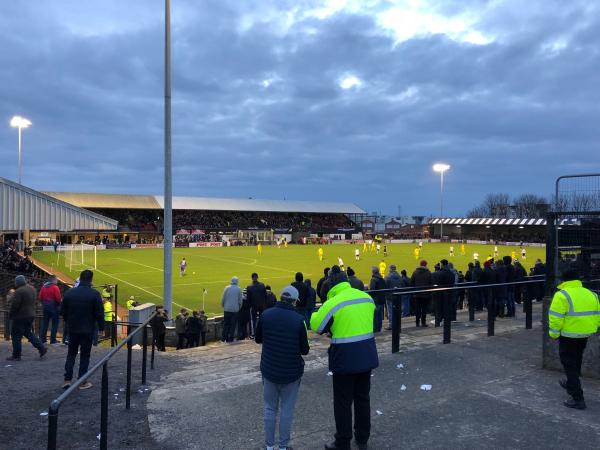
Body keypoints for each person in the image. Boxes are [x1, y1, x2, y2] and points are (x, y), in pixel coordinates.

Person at [310, 266, 378, 450]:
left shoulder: (333, 303)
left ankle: (343, 442)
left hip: (345, 359)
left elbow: (316, 325)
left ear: (330, 283)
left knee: (343, 402)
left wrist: (318, 312)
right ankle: (362, 438)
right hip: (367, 354)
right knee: (363, 398)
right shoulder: (365, 297)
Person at [255, 286, 310, 450]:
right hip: (290, 372)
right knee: (287, 410)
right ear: (294, 301)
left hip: (270, 368)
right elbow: (305, 350)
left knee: (270, 408)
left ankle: (269, 446)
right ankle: (283, 447)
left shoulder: (266, 315)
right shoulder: (299, 320)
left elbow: (258, 338)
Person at [548, 269, 600, 410]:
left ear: (564, 281)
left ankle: (577, 397)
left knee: (569, 364)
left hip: (568, 335)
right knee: (576, 360)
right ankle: (571, 383)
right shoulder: (592, 294)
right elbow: (597, 314)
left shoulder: (562, 295)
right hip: (585, 333)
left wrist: (553, 334)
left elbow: (555, 318)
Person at [60, 270, 104, 389]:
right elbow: (99, 313)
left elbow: (62, 311)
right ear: (91, 280)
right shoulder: (94, 294)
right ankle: (82, 381)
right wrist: (101, 327)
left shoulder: (69, 293)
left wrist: (69, 321)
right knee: (85, 355)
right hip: (87, 329)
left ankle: (67, 379)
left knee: (71, 354)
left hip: (73, 328)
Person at [6, 275, 47, 361]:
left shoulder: (19, 291)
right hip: (31, 315)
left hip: (20, 316)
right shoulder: (32, 289)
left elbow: (15, 305)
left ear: (18, 282)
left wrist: (11, 315)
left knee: (16, 335)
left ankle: (16, 355)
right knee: (28, 333)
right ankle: (42, 348)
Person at [38, 275, 62, 345]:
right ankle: (53, 340)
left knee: (45, 323)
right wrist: (60, 303)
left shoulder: (44, 287)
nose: (57, 281)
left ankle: (43, 340)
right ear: (53, 280)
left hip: (45, 307)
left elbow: (40, 297)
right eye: (56, 280)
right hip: (54, 307)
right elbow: (58, 298)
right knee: (54, 324)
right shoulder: (55, 287)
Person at [411, 260, 433, 327]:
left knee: (418, 309)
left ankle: (417, 323)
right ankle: (423, 322)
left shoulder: (415, 272)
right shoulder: (428, 273)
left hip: (417, 293)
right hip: (425, 294)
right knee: (424, 309)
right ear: (426, 265)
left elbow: (412, 282)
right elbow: (431, 283)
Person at [221, 276, 243, 343]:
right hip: (235, 310)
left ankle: (224, 338)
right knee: (233, 325)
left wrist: (223, 305)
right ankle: (230, 338)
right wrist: (239, 308)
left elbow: (223, 298)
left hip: (227, 309)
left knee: (226, 324)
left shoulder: (226, 288)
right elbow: (240, 301)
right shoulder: (239, 289)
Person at [384, 265, 405, 331]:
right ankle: (398, 324)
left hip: (390, 297)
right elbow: (402, 285)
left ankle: (391, 325)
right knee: (398, 311)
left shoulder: (387, 277)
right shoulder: (400, 277)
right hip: (398, 296)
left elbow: (385, 286)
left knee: (390, 311)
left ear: (390, 269)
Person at [369, 266, 387, 332]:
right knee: (380, 315)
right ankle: (379, 328)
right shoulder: (382, 278)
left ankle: (375, 329)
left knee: (375, 315)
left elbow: (372, 290)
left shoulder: (373, 279)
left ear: (373, 272)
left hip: (376, 300)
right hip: (382, 299)